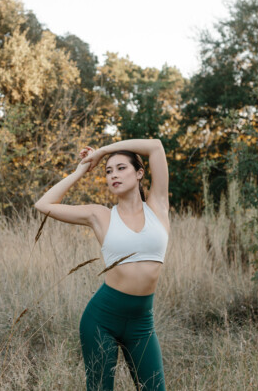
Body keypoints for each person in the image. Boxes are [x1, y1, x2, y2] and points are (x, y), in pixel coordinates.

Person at [34, 139, 170, 391]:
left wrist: (105, 150)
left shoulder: (158, 206)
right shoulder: (100, 216)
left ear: (140, 173)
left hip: (142, 322)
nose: (113, 175)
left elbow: (155, 147)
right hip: (101, 319)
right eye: (108, 171)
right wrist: (80, 171)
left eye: (121, 168)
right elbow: (43, 205)